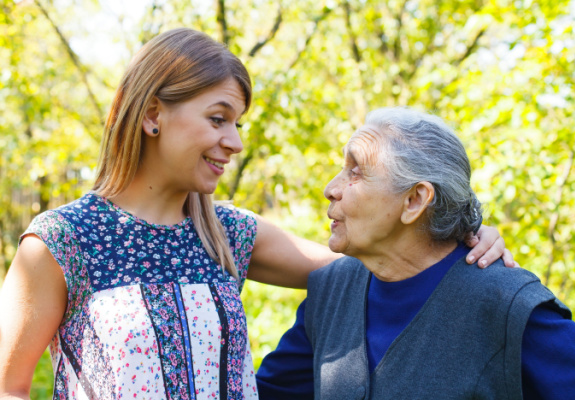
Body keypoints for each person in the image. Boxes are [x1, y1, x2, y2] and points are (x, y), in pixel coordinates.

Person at [0, 30, 510, 399]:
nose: (236, 142)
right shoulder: (61, 242)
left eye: (238, 123)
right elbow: (9, 389)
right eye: (218, 119)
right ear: (153, 114)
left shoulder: (229, 234)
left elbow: (376, 266)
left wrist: (455, 229)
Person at [256, 107, 575, 399]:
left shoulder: (509, 307)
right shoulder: (330, 291)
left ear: (415, 200)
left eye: (355, 171)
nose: (330, 189)